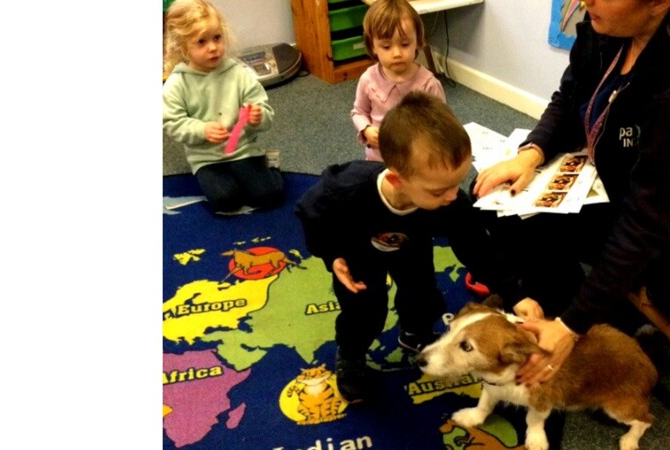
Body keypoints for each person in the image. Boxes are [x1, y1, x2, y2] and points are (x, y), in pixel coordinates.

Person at [471, 0, 670, 387]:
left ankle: (583, 335)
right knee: (490, 203)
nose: (584, 0)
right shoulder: (611, 28)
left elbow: (648, 225)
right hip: (621, 184)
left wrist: (571, 324)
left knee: (527, 233)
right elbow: (568, 97)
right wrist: (533, 151)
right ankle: (571, 309)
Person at [296, 92, 528, 403]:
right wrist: (332, 254)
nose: (451, 195)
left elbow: (477, 247)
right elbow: (312, 212)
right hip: (358, 252)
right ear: (397, 179)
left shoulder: (448, 203)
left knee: (422, 293)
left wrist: (516, 293)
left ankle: (415, 333)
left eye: (456, 183)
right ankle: (351, 356)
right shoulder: (347, 188)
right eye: (439, 190)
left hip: (413, 246)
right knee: (364, 309)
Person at [163, 0, 284, 215]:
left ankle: (270, 166)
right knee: (225, 200)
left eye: (217, 38)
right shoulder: (176, 83)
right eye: (201, 42)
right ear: (183, 47)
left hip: (243, 150)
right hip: (206, 158)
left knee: (268, 196)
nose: (212, 47)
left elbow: (265, 112)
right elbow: (173, 123)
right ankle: (233, 182)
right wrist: (201, 129)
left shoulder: (238, 73)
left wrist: (258, 116)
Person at [351, 0, 446, 162]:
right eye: (386, 47)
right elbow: (358, 112)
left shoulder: (428, 84)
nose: (396, 53)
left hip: (415, 162)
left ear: (417, 41)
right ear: (373, 46)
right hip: (377, 159)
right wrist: (366, 129)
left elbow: (441, 122)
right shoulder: (368, 79)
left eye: (404, 44)